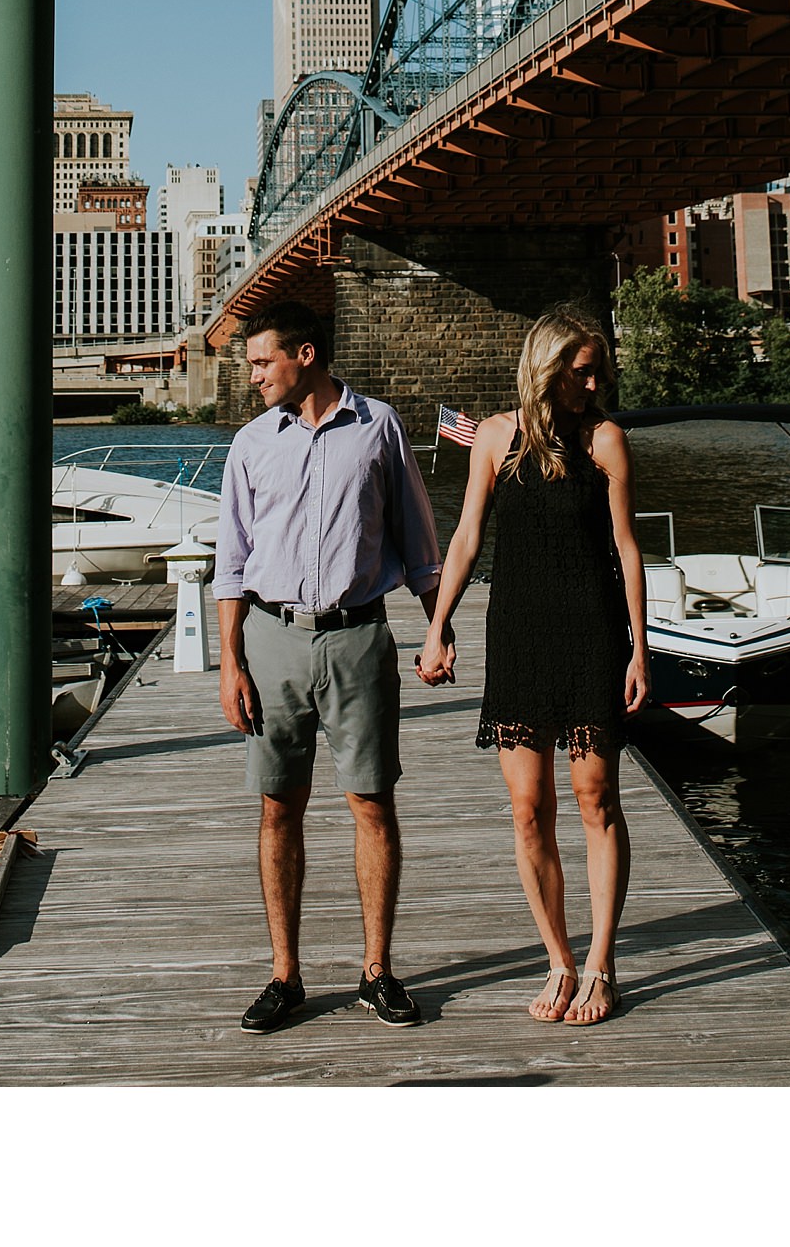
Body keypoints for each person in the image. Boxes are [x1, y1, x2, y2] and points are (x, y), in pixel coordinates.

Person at [214, 300, 446, 1034]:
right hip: (271, 639)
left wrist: (438, 631)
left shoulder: (379, 428)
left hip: (358, 639)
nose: (253, 376)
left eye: (261, 362)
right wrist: (230, 663)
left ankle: (378, 970)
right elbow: (231, 562)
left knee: (371, 803)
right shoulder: (250, 444)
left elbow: (420, 545)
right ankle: (286, 975)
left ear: (304, 355)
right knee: (278, 805)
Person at [416, 309, 648, 1025]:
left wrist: (642, 646)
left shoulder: (605, 440)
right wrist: (436, 624)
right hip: (516, 632)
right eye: (581, 369)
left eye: (597, 369)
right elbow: (466, 537)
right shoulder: (492, 436)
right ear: (546, 369)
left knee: (595, 798)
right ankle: (559, 959)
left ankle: (602, 965)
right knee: (527, 812)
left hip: (591, 634)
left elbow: (627, 547)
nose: (594, 380)